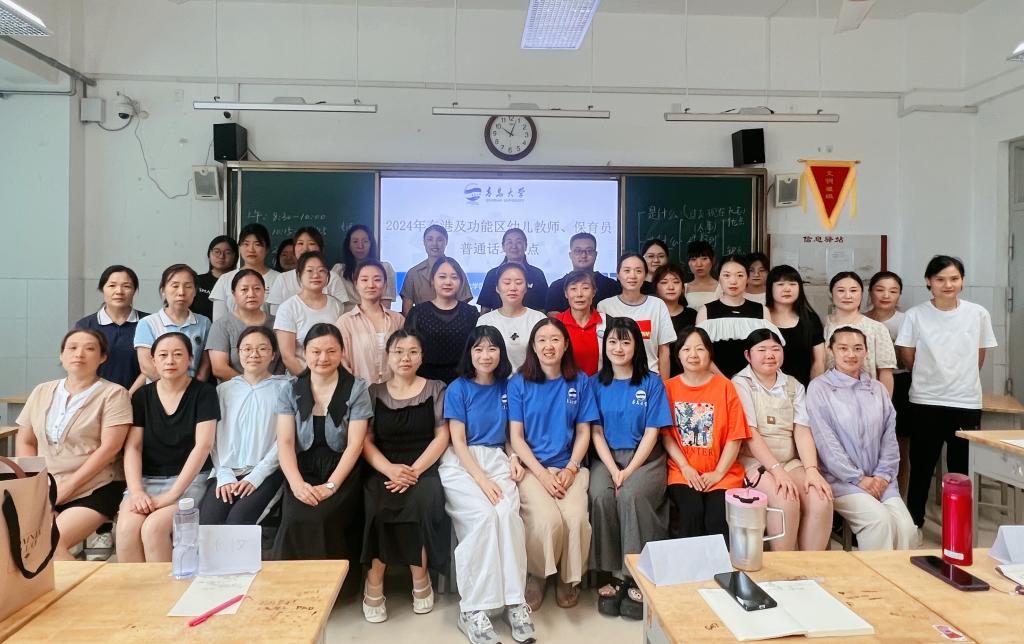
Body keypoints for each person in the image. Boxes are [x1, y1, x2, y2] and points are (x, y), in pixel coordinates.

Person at [438, 326, 536, 644]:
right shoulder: (458, 388)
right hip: (462, 463)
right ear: (469, 353)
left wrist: (513, 458)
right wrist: (481, 479)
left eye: (492, 348)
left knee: (507, 516)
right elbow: (457, 441)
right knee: (482, 518)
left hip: (497, 459)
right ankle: (473, 609)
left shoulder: (508, 386)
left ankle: (514, 602)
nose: (485, 355)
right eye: (478, 349)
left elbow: (509, 435)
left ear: (501, 353)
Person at [896, 256, 996, 530]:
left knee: (961, 469)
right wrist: (930, 377)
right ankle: (915, 524)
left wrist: (959, 380)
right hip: (925, 401)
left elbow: (979, 356)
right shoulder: (915, 315)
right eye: (940, 279)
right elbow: (907, 355)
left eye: (954, 278)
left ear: (962, 281)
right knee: (922, 467)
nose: (947, 284)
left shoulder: (978, 314)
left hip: (966, 402)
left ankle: (957, 528)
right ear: (928, 281)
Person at [15, 329, 132, 560]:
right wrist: (37, 486)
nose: (79, 354)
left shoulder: (114, 394)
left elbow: (110, 449)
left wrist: (63, 491)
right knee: (17, 543)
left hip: (95, 487)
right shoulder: (41, 391)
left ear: (103, 357)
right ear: (61, 355)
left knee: (46, 543)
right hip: (45, 486)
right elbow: (26, 440)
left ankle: (91, 586)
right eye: (72, 347)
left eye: (89, 348)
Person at [361, 330, 451, 623]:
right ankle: (374, 579)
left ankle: (420, 576)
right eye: (398, 352)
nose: (405, 358)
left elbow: (442, 436)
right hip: (383, 466)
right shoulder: (374, 392)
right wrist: (389, 469)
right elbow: (365, 440)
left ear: (422, 357)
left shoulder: (436, 388)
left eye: (413, 352)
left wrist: (414, 472)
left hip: (423, 467)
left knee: (422, 500)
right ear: (388, 357)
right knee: (376, 502)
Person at [509, 318, 598, 611]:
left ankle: (567, 578)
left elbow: (584, 432)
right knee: (546, 519)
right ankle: (537, 575)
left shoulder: (580, 381)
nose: (549, 346)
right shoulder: (519, 382)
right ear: (533, 347)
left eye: (555, 339)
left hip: (569, 467)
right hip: (532, 469)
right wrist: (541, 474)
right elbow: (516, 437)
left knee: (575, 519)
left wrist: (571, 468)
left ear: (566, 345)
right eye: (542, 340)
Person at [589, 318, 671, 619]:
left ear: (637, 346)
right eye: (612, 341)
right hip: (607, 458)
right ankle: (612, 573)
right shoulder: (595, 383)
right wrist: (614, 470)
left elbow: (652, 432)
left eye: (626, 342)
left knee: (630, 496)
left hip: (645, 459)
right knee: (600, 495)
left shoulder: (652, 382)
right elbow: (596, 432)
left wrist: (628, 471)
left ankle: (635, 575)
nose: (618, 348)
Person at [806, 327, 917, 551]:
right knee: (879, 522)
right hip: (841, 481)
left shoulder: (877, 389)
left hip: (881, 480)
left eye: (858, 348)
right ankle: (874, 575)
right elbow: (827, 444)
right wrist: (857, 478)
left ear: (866, 351)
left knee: (907, 528)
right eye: (843, 348)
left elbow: (889, 440)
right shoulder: (819, 388)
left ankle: (899, 575)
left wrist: (883, 476)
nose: (851, 354)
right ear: (831, 351)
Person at [116, 332, 219, 562]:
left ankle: (165, 587)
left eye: (178, 354)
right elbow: (133, 448)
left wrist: (172, 495)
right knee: (125, 530)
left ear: (190, 359)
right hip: (146, 480)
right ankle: (134, 587)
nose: (170, 361)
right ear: (153, 361)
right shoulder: (142, 396)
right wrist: (136, 491)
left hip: (190, 480)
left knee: (153, 529)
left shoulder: (204, 393)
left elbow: (203, 446)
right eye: (163, 355)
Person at [271, 323, 371, 560]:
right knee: (294, 517)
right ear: (305, 353)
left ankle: (336, 580)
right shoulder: (291, 389)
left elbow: (355, 445)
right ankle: (291, 579)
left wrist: (331, 486)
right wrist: (297, 484)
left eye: (331, 351)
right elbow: (285, 442)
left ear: (342, 352)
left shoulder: (357, 389)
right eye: (316, 351)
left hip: (342, 469)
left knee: (323, 517)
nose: (323, 358)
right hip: (302, 469)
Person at [731, 330, 833, 551]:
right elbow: (750, 433)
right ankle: (784, 565)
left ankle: (810, 565)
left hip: (789, 461)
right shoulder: (740, 383)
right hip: (754, 462)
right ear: (748, 355)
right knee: (786, 498)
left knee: (821, 498)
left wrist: (811, 470)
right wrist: (776, 470)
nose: (770, 355)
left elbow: (802, 431)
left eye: (775, 349)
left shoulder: (794, 385)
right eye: (762, 350)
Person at [662, 327, 750, 543]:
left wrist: (718, 473)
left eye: (700, 349)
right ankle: (689, 566)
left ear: (710, 353)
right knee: (690, 513)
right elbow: (666, 436)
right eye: (686, 349)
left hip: (722, 472)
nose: (693, 354)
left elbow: (735, 436)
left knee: (716, 520)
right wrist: (685, 467)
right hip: (683, 471)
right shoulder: (668, 388)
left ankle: (720, 565)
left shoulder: (726, 387)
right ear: (678, 355)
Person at [201, 327, 291, 525]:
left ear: (273, 354)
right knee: (208, 523)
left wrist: (257, 475)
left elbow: (285, 440)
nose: (254, 354)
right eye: (247, 349)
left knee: (238, 522)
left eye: (262, 349)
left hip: (267, 473)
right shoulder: (222, 391)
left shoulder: (285, 388)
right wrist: (224, 474)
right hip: (226, 471)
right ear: (238, 353)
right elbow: (212, 439)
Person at [696, 254, 781, 379]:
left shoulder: (761, 311)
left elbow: (767, 350)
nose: (733, 281)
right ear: (719, 278)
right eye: (727, 275)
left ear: (747, 278)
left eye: (740, 275)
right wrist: (726, 382)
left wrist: (746, 382)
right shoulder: (706, 311)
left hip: (753, 381)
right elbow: (701, 352)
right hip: (715, 380)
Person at [866, 270, 912, 497]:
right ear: (870, 292)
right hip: (866, 384)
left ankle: (899, 497)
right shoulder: (860, 319)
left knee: (898, 447)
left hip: (901, 384)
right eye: (880, 290)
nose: (886, 295)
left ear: (899, 295)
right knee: (868, 445)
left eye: (893, 291)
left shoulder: (907, 321)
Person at [597, 253, 676, 377]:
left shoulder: (657, 305)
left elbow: (664, 351)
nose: (632, 276)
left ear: (645, 275)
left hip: (649, 378)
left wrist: (663, 385)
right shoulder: (604, 306)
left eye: (638, 271)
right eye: (627, 271)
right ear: (618, 275)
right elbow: (602, 350)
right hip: (615, 379)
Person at [404, 256, 479, 383]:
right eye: (442, 277)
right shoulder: (418, 313)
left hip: (464, 383)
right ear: (432, 280)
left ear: (461, 281)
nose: (448, 282)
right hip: (425, 383)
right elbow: (409, 350)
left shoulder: (471, 313)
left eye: (454, 277)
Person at [75, 264, 149, 393]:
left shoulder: (149, 322)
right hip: (96, 396)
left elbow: (154, 364)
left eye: (126, 286)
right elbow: (80, 365)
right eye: (112, 285)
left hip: (142, 397)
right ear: (102, 289)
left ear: (134, 291)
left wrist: (129, 395)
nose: (119, 291)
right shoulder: (86, 326)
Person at [823, 271, 897, 396]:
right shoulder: (823, 324)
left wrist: (884, 403)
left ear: (862, 294)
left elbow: (885, 373)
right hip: (829, 398)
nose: (847, 296)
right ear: (831, 294)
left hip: (867, 398)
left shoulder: (877, 328)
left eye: (853, 290)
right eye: (841, 290)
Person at [134, 264, 212, 382]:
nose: (181, 292)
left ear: (195, 291)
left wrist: (193, 389)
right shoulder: (147, 323)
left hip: (193, 389)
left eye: (188, 286)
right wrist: (171, 388)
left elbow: (205, 364)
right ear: (163, 290)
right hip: (158, 389)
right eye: (175, 286)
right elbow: (146, 366)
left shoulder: (204, 322)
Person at [274, 251, 346, 376]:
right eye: (309, 270)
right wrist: (308, 382)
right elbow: (288, 357)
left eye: (321, 270)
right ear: (299, 275)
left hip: (334, 377)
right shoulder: (288, 308)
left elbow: (341, 346)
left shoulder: (336, 305)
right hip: (301, 378)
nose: (316, 275)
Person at [337, 259, 406, 384]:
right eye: (364, 280)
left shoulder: (398, 320)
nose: (371, 285)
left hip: (394, 392)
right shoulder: (345, 323)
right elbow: (342, 362)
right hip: (360, 392)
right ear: (356, 284)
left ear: (385, 285)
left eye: (377, 279)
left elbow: (405, 357)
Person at [207, 269, 282, 382]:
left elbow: (283, 362)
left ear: (264, 291)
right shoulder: (221, 325)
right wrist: (252, 385)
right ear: (234, 294)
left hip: (274, 388)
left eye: (257, 289)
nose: (251, 294)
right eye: (244, 289)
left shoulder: (278, 323)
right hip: (235, 389)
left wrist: (270, 385)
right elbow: (219, 368)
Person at [477, 263, 547, 372]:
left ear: (526, 287)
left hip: (531, 380)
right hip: (496, 381)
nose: (513, 288)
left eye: (519, 283)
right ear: (497, 288)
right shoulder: (485, 321)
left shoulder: (538, 319)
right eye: (507, 283)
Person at [766, 265, 825, 387]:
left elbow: (819, 361)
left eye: (793, 284)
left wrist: (812, 391)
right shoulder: (761, 317)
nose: (787, 289)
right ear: (770, 288)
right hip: (765, 390)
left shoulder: (810, 319)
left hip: (802, 389)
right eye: (780, 284)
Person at [209, 223, 281, 321]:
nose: (251, 249)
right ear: (239, 247)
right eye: (246, 244)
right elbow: (219, 322)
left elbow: (278, 321)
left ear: (267, 248)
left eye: (257, 244)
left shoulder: (279, 279)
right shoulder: (225, 279)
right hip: (232, 331)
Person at [266, 227, 349, 312]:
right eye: (300, 243)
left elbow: (342, 312)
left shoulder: (333, 278)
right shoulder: (283, 278)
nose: (305, 249)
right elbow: (275, 314)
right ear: (294, 249)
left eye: (311, 244)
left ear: (321, 248)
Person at [400, 225, 473, 315]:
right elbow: (407, 312)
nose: (434, 244)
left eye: (439, 240)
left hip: (454, 322)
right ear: (424, 242)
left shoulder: (456, 271)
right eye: (430, 239)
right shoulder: (413, 273)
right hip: (421, 322)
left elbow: (463, 308)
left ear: (446, 242)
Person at [477, 228, 549, 313]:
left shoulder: (537, 274)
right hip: (498, 321)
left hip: (531, 321)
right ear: (503, 247)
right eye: (509, 242)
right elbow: (485, 308)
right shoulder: (493, 274)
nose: (514, 246)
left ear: (526, 246)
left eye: (519, 242)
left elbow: (543, 308)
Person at [545, 232, 620, 313]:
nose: (584, 255)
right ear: (570, 255)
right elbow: (553, 317)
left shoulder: (612, 286)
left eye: (589, 251)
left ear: (595, 254)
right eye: (578, 251)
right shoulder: (557, 287)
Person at [332, 225, 397, 312]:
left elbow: (385, 307)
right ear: (348, 245)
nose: (360, 246)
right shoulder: (339, 270)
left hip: (376, 318)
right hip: (345, 318)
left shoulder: (385, 268)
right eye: (355, 241)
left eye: (365, 241)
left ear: (371, 244)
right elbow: (332, 304)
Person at [553, 271, 606, 376]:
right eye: (573, 289)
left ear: (594, 292)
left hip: (600, 384)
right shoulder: (555, 324)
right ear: (566, 294)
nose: (579, 294)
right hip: (565, 384)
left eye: (585, 288)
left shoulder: (607, 322)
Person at [653, 263, 697, 377]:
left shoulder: (692, 315)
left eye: (676, 282)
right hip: (655, 376)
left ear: (683, 288)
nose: (671, 287)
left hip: (687, 375)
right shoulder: (651, 315)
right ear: (656, 288)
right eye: (664, 282)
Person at [193, 235, 238, 320]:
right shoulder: (197, 281)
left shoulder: (240, 282)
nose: (221, 256)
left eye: (227, 253)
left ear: (235, 256)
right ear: (209, 254)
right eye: (217, 252)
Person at [684, 241, 719, 310]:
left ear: (713, 260)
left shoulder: (722, 288)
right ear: (689, 263)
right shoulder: (683, 289)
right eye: (693, 259)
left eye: (704, 259)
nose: (699, 264)